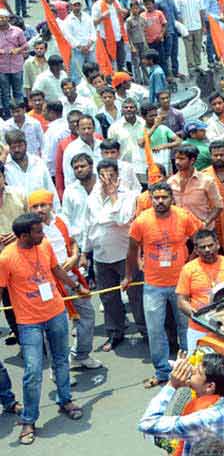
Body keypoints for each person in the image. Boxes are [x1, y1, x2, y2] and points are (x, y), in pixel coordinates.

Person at [0, 213, 88, 445]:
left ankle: (65, 400)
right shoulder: (6, 258)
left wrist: (76, 287)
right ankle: (29, 419)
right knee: (33, 370)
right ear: (23, 236)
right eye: (38, 231)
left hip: (56, 314)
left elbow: (56, 270)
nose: (43, 234)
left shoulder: (45, 244)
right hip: (29, 322)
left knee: (61, 360)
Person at [123, 182, 204, 388]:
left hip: (182, 285)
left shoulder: (184, 216)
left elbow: (199, 240)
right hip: (153, 285)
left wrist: (192, 263)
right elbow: (132, 251)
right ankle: (162, 372)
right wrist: (128, 276)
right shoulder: (141, 221)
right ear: (150, 199)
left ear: (171, 198)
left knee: (185, 327)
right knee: (155, 329)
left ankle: (190, 369)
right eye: (156, 197)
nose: (160, 201)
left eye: (164, 197)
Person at [27, 189, 100, 371]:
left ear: (51, 206)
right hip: (48, 285)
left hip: (71, 275)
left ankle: (80, 355)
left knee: (87, 316)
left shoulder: (61, 221)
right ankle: (58, 369)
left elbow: (73, 241)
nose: (39, 210)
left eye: (43, 205)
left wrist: (74, 256)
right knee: (55, 329)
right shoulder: (30, 230)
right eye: (35, 206)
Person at [81, 157, 139, 351]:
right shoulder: (92, 197)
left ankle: (146, 330)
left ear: (118, 176)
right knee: (108, 298)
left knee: (135, 295)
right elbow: (88, 225)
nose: (107, 181)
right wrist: (84, 251)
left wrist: (114, 196)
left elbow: (123, 219)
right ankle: (115, 333)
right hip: (100, 255)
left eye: (111, 176)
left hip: (124, 254)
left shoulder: (129, 195)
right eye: (103, 176)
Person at [138, 353, 224, 456]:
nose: (193, 370)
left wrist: (171, 385)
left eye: (198, 371)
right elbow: (202, 383)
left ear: (210, 386)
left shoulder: (202, 420)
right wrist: (184, 370)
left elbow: (146, 423)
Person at [176, 229, 224, 351]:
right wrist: (194, 314)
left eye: (210, 245)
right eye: (203, 247)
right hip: (198, 329)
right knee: (195, 366)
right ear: (197, 250)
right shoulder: (188, 269)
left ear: (218, 245)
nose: (207, 250)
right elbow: (182, 300)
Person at [168, 144, 223, 230]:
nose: (177, 162)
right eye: (176, 158)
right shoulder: (171, 182)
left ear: (192, 160)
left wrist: (205, 223)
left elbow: (218, 206)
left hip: (201, 231)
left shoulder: (206, 181)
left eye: (181, 159)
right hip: (180, 231)